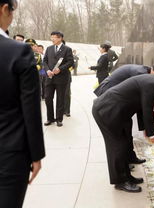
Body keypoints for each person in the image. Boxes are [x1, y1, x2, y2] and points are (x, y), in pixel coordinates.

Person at [92, 70, 154, 192]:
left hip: (116, 112)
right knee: (117, 146)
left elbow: (142, 107)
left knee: (124, 144)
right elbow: (146, 109)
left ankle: (126, 176)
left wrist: (145, 129)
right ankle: (120, 181)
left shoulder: (153, 81)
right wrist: (152, 134)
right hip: (107, 111)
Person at [0, 1, 45, 207]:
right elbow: (30, 109)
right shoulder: (18, 52)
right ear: (4, 9)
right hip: (9, 153)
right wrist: (36, 155)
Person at [93, 62, 154, 166]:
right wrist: (149, 131)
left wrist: (146, 126)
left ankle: (130, 157)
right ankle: (123, 164)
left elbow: (139, 103)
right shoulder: (140, 74)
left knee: (127, 129)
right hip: (109, 98)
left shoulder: (145, 71)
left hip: (117, 99)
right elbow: (141, 103)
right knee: (121, 133)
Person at [43, 31, 74, 127]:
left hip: (61, 78)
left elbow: (70, 62)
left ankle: (59, 119)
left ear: (60, 38)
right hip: (49, 77)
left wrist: (60, 69)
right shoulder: (49, 49)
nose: (52, 39)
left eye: (54, 37)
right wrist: (47, 70)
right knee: (48, 98)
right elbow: (45, 61)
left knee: (60, 99)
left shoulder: (67, 49)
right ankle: (50, 118)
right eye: (51, 37)